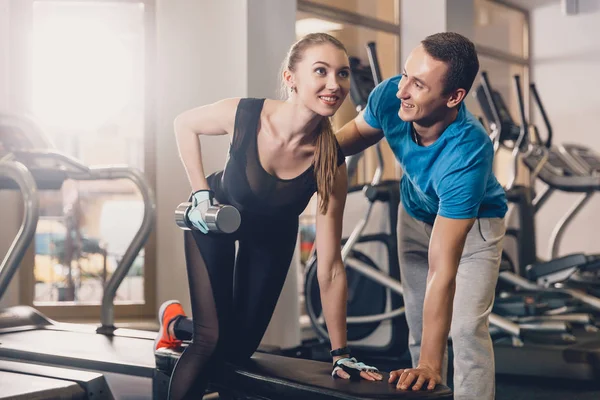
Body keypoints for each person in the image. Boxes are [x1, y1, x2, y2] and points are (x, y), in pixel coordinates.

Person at [155, 33, 382, 400]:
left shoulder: (329, 163)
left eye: (341, 74)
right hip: (216, 216)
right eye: (320, 71)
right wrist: (199, 194)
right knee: (210, 341)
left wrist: (341, 353)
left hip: (271, 235)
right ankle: (188, 331)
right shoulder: (247, 114)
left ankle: (175, 323)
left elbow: (330, 265)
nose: (334, 84)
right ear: (291, 78)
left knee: (238, 349)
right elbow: (185, 123)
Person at [336, 32, 508, 400]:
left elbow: (441, 267)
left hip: (475, 226)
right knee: (419, 326)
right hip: (413, 215)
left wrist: (431, 362)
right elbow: (348, 138)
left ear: (454, 97)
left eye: (418, 84)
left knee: (464, 330)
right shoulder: (389, 96)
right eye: (404, 75)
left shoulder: (468, 149)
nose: (402, 91)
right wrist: (291, 155)